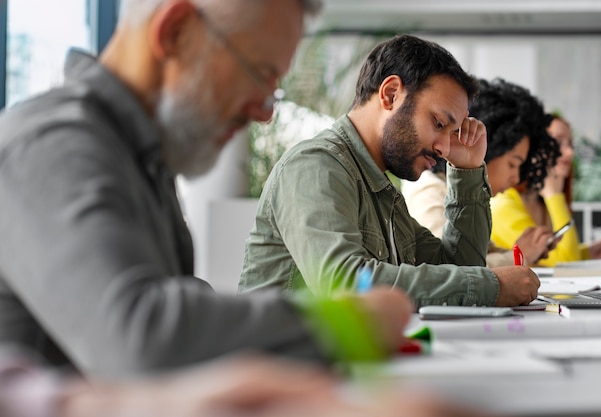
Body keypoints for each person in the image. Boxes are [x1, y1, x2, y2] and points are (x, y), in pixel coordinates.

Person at [0, 0, 414, 380]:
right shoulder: (52, 143)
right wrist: (343, 322)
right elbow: (139, 337)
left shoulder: (135, 157)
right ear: (175, 31)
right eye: (259, 74)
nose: (265, 112)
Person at [239, 35, 540, 308]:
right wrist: (489, 285)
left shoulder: (381, 189)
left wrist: (467, 170)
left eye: (453, 132)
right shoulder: (315, 166)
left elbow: (460, 268)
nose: (444, 148)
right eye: (438, 123)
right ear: (391, 94)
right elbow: (345, 284)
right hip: (281, 363)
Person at [0, 348, 490, 417]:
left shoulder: (386, 184)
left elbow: (458, 260)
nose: (264, 113)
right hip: (305, 363)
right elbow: (348, 278)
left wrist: (469, 176)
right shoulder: (318, 164)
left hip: (295, 375)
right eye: (440, 124)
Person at [403, 78, 561, 267]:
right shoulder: (429, 190)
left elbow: (475, 253)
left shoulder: (470, 198)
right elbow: (446, 269)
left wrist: (521, 252)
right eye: (512, 164)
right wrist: (520, 256)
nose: (516, 178)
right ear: (489, 148)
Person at [491, 113, 601, 266]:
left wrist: (586, 252)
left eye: (570, 144)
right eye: (558, 142)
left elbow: (553, 256)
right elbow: (566, 263)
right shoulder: (502, 205)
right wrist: (554, 195)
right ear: (530, 149)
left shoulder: (540, 202)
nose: (570, 152)